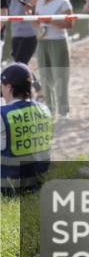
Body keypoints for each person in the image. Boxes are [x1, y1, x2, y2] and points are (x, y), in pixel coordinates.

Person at [1, 63, 52, 196]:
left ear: (9, 87)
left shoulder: (3, 114)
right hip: (38, 182)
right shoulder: (45, 110)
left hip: (10, 187)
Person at [30, 0, 74, 121]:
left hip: (58, 41)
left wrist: (49, 21)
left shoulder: (63, 1)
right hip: (42, 41)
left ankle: (64, 112)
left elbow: (70, 24)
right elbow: (36, 23)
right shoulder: (40, 2)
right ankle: (49, 109)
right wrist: (30, 15)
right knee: (45, 76)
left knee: (60, 76)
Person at [3, 0, 40, 70]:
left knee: (19, 65)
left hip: (29, 37)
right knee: (20, 65)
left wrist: (34, 13)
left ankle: (28, 83)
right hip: (16, 37)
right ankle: (34, 83)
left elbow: (45, 1)